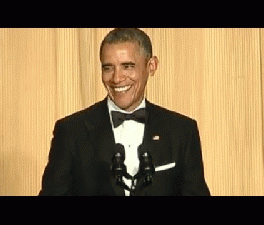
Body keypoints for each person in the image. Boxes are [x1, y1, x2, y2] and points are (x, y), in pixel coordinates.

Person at [39, 28, 211, 196]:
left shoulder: (181, 131)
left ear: (151, 66)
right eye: (108, 68)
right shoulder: (71, 132)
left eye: (127, 66)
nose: (116, 78)